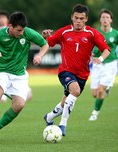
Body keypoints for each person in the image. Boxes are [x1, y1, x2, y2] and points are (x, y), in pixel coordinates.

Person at [0, 12, 49, 144]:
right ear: (10, 26)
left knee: (19, 105)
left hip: (19, 75)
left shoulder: (27, 32)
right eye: (18, 30)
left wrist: (40, 56)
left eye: (23, 30)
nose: (21, 33)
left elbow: (44, 44)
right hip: (2, 72)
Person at [42, 4, 110, 136]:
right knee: (75, 91)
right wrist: (44, 37)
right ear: (72, 17)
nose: (78, 21)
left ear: (86, 19)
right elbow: (48, 43)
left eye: (81, 18)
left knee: (66, 102)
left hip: (83, 75)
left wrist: (100, 59)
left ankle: (49, 117)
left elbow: (106, 49)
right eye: (76, 18)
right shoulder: (64, 32)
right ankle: (63, 124)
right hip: (65, 71)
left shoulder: (92, 33)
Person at [0, 11, 33, 102]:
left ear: (8, 20)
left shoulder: (16, 29)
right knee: (3, 78)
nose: (1, 20)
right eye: (0, 18)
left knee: (19, 76)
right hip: (4, 61)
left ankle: (26, 90)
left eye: (3, 17)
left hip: (16, 61)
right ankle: (4, 94)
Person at [89, 9, 118, 121]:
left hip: (111, 64)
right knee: (94, 94)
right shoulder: (95, 33)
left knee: (100, 90)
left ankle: (95, 113)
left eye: (107, 17)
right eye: (103, 17)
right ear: (100, 20)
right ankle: (107, 90)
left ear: (111, 20)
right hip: (97, 64)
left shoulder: (115, 34)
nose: (105, 19)